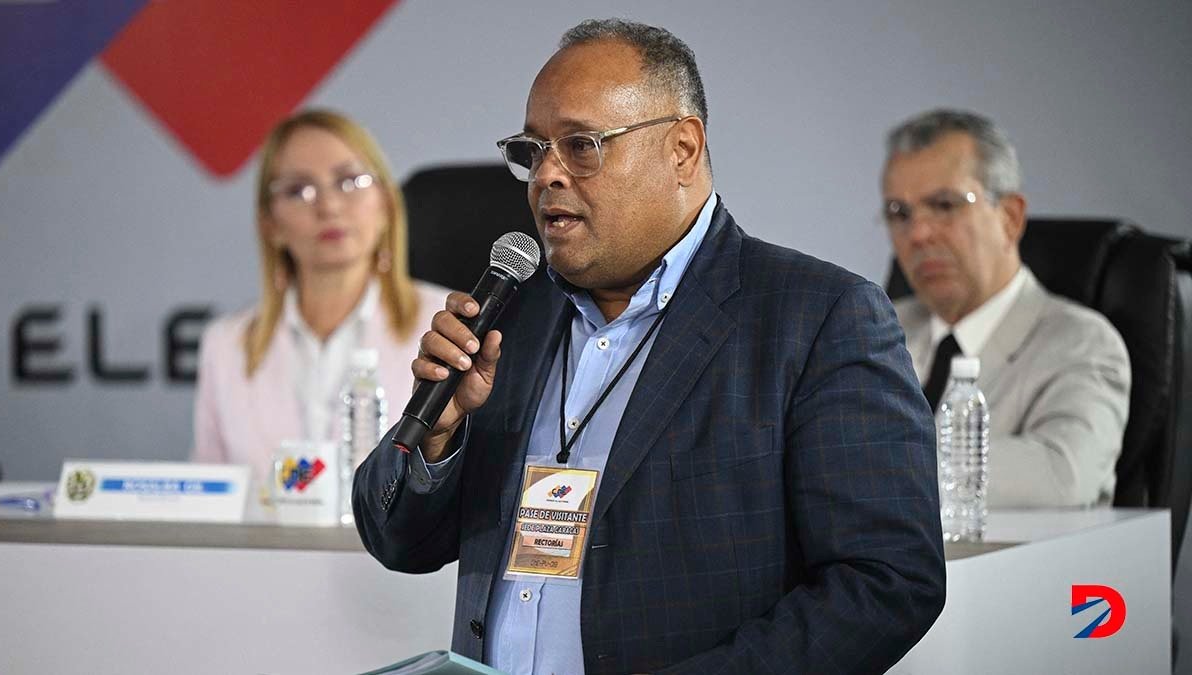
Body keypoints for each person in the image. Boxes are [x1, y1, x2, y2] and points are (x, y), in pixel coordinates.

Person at [355, 20, 945, 674]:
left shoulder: (816, 317)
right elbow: (395, 536)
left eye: (581, 145)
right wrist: (438, 432)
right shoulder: (508, 312)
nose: (546, 174)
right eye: (533, 149)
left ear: (683, 150)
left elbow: (888, 580)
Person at [881, 108, 1131, 507]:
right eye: (899, 213)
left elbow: (1063, 475)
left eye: (945, 204)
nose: (918, 233)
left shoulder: (1081, 341)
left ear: (1010, 218)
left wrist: (872, 464)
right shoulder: (877, 326)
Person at [192, 109, 449, 483]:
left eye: (349, 181)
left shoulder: (448, 326)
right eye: (299, 190)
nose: (328, 206)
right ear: (271, 224)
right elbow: (207, 500)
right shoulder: (225, 345)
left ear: (386, 206)